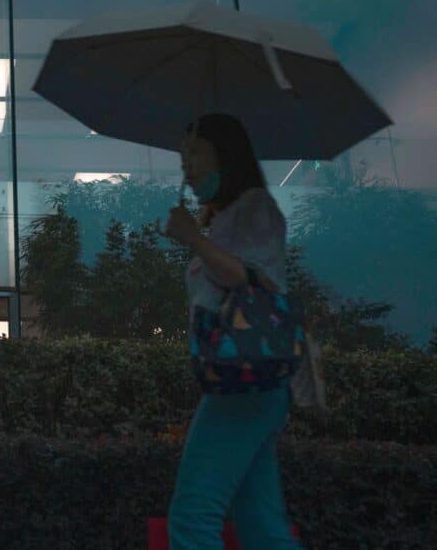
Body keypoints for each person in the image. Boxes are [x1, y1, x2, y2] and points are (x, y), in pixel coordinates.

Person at [161, 114, 303, 550]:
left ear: (227, 156)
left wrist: (194, 239)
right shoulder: (227, 218)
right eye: (183, 156)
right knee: (261, 525)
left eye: (197, 153)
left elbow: (247, 277)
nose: (187, 165)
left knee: (192, 519)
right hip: (245, 382)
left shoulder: (255, 207)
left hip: (244, 382)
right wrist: (202, 232)